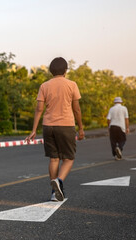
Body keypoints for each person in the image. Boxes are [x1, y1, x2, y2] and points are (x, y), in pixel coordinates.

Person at [25, 57, 84, 202]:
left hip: (48, 126)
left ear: (51, 70)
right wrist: (81, 128)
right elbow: (76, 109)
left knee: (54, 158)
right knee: (69, 158)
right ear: (65, 70)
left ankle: (54, 192)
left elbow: (39, 109)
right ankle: (59, 181)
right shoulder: (72, 85)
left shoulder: (44, 85)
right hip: (66, 125)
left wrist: (34, 130)